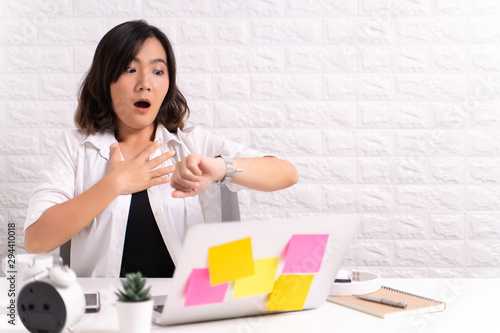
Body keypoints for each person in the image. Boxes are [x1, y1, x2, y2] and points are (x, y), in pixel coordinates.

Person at [23, 20, 298, 278]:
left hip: (189, 310)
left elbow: (286, 173)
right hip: (105, 311)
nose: (145, 83)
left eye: (158, 71)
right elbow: (36, 240)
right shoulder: (76, 148)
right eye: (130, 69)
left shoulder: (193, 144)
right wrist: (114, 184)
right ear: (104, 80)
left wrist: (219, 168)